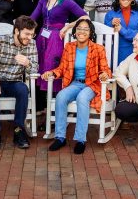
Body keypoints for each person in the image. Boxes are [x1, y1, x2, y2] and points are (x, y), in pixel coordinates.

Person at [42, 19, 111, 154]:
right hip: (75, 83)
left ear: (90, 33)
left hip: (92, 84)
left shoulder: (98, 49)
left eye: (86, 29)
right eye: (79, 28)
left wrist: (104, 75)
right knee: (61, 96)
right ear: (75, 31)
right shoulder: (69, 47)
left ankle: (80, 140)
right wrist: (52, 73)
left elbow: (105, 69)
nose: (82, 31)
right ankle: (60, 137)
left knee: (82, 98)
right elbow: (62, 68)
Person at [30, 0, 88, 116]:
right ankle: (46, 110)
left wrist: (67, 27)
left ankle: (57, 112)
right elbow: (33, 18)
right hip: (42, 38)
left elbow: (84, 16)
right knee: (41, 69)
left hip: (56, 39)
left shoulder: (66, 0)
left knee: (54, 71)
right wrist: (24, 29)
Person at [0, 16, 39, 150]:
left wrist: (28, 63)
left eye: (32, 34)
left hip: (15, 82)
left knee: (23, 89)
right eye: (26, 33)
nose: (29, 37)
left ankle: (19, 130)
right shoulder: (0, 41)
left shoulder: (31, 44)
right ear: (16, 31)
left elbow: (35, 70)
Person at [104, 0, 138, 64]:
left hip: (136, 52)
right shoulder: (110, 14)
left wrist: (122, 30)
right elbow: (105, 37)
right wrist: (111, 24)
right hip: (116, 54)